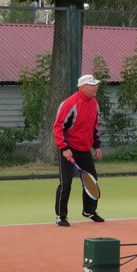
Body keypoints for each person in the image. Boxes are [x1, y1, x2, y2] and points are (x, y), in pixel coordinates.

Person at [53, 74, 105, 226]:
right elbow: (59, 127)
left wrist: (96, 145)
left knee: (92, 181)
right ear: (83, 87)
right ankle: (61, 216)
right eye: (92, 84)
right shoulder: (70, 103)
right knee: (66, 183)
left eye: (96, 84)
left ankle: (89, 211)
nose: (96, 87)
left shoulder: (94, 103)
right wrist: (64, 148)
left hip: (84, 149)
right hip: (68, 149)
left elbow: (94, 126)